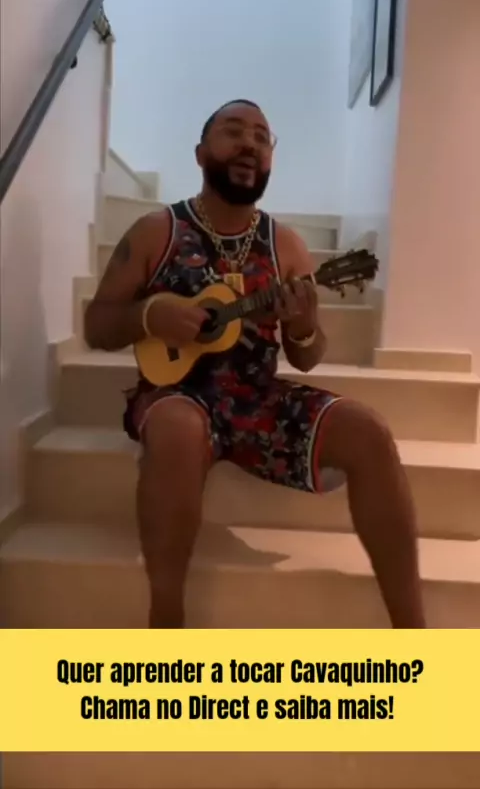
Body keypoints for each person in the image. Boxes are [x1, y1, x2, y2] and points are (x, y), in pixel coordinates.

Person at [84, 100, 425, 630]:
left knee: (370, 432)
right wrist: (150, 314)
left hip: (257, 399)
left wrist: (303, 325)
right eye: (234, 131)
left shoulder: (285, 245)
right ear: (201, 153)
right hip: (174, 394)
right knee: (177, 427)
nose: (249, 143)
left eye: (262, 138)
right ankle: (165, 623)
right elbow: (97, 325)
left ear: (270, 160)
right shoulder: (156, 231)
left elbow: (306, 355)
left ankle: (414, 634)